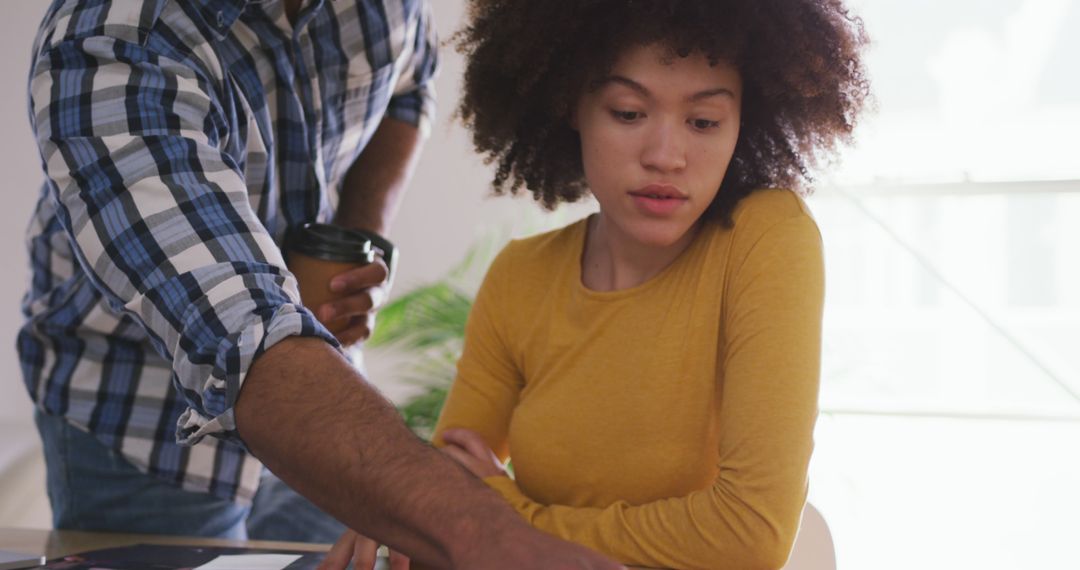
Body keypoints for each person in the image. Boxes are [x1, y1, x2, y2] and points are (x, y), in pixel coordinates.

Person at [19, 0, 624, 568]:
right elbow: (249, 340)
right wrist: (490, 534)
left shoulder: (380, 8)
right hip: (140, 423)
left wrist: (357, 242)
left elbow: (407, 88)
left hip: (323, 400)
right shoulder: (111, 40)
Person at [325, 0, 870, 568]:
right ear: (570, 104)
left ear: (742, 122)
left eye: (704, 121)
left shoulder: (765, 237)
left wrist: (512, 521)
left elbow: (749, 533)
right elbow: (447, 500)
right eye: (628, 112)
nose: (666, 156)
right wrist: (406, 519)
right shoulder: (521, 276)